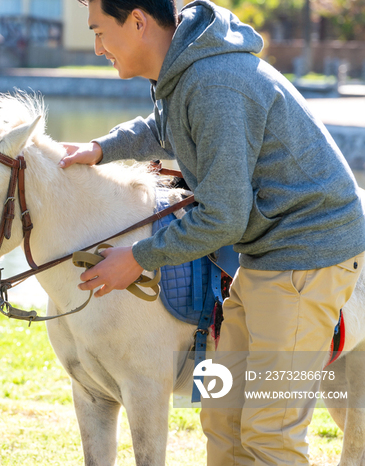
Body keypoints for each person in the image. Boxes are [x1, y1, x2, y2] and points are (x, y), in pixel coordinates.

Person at [60, 0, 365, 465]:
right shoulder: (185, 71)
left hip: (307, 255)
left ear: (138, 22)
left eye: (100, 31)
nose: (98, 47)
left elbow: (224, 217)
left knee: (271, 433)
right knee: (222, 417)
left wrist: (138, 258)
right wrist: (101, 148)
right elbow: (165, 129)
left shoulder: (213, 83)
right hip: (267, 256)